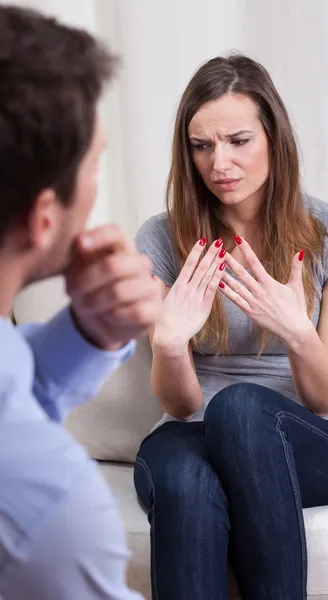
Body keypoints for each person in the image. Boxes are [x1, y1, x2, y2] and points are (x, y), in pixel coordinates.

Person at [133, 54, 328, 600]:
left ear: (274, 138)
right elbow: (178, 406)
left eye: (239, 140)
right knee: (184, 481)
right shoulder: (161, 240)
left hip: (311, 439)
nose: (220, 163)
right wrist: (170, 345)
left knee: (238, 407)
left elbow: (327, 395)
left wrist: (296, 333)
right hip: (190, 432)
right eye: (202, 146)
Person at [0, 6, 162, 600]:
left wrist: (92, 333)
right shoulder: (47, 506)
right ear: (45, 217)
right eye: (97, 160)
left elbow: (14, 382)